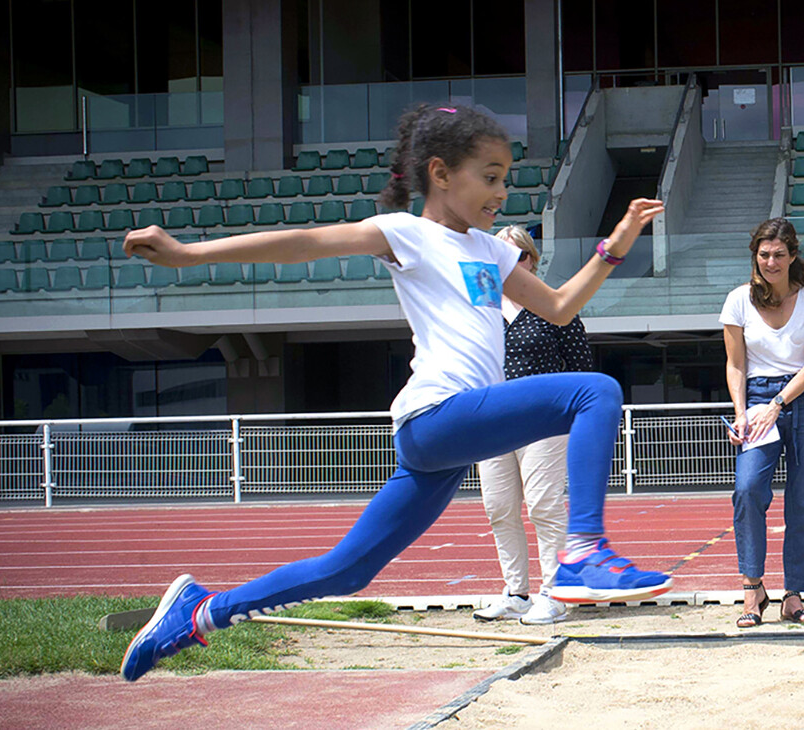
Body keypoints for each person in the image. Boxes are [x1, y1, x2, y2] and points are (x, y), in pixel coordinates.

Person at [118, 104, 672, 682]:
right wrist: (187, 255)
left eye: (505, 177)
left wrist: (619, 240)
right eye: (489, 177)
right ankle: (582, 550)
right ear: (440, 173)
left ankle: (200, 612)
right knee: (596, 392)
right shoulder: (407, 233)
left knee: (348, 570)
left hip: (445, 441)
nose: (502, 191)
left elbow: (559, 308)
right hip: (437, 413)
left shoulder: (492, 251)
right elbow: (303, 243)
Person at [472, 225, 594, 626]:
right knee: (499, 508)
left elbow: (580, 369)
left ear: (531, 260)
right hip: (491, 422)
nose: (507, 264)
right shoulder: (480, 310)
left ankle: (555, 594)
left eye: (516, 256)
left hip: (544, 421)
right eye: (498, 256)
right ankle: (516, 593)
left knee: (544, 505)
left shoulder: (555, 307)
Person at [720, 218, 804, 628]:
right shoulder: (737, 301)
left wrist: (779, 402)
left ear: (792, 256)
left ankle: (793, 594)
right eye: (764, 254)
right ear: (755, 255)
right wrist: (741, 412)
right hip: (756, 398)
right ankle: (753, 589)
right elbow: (736, 365)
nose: (771, 261)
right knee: (747, 488)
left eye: (779, 254)